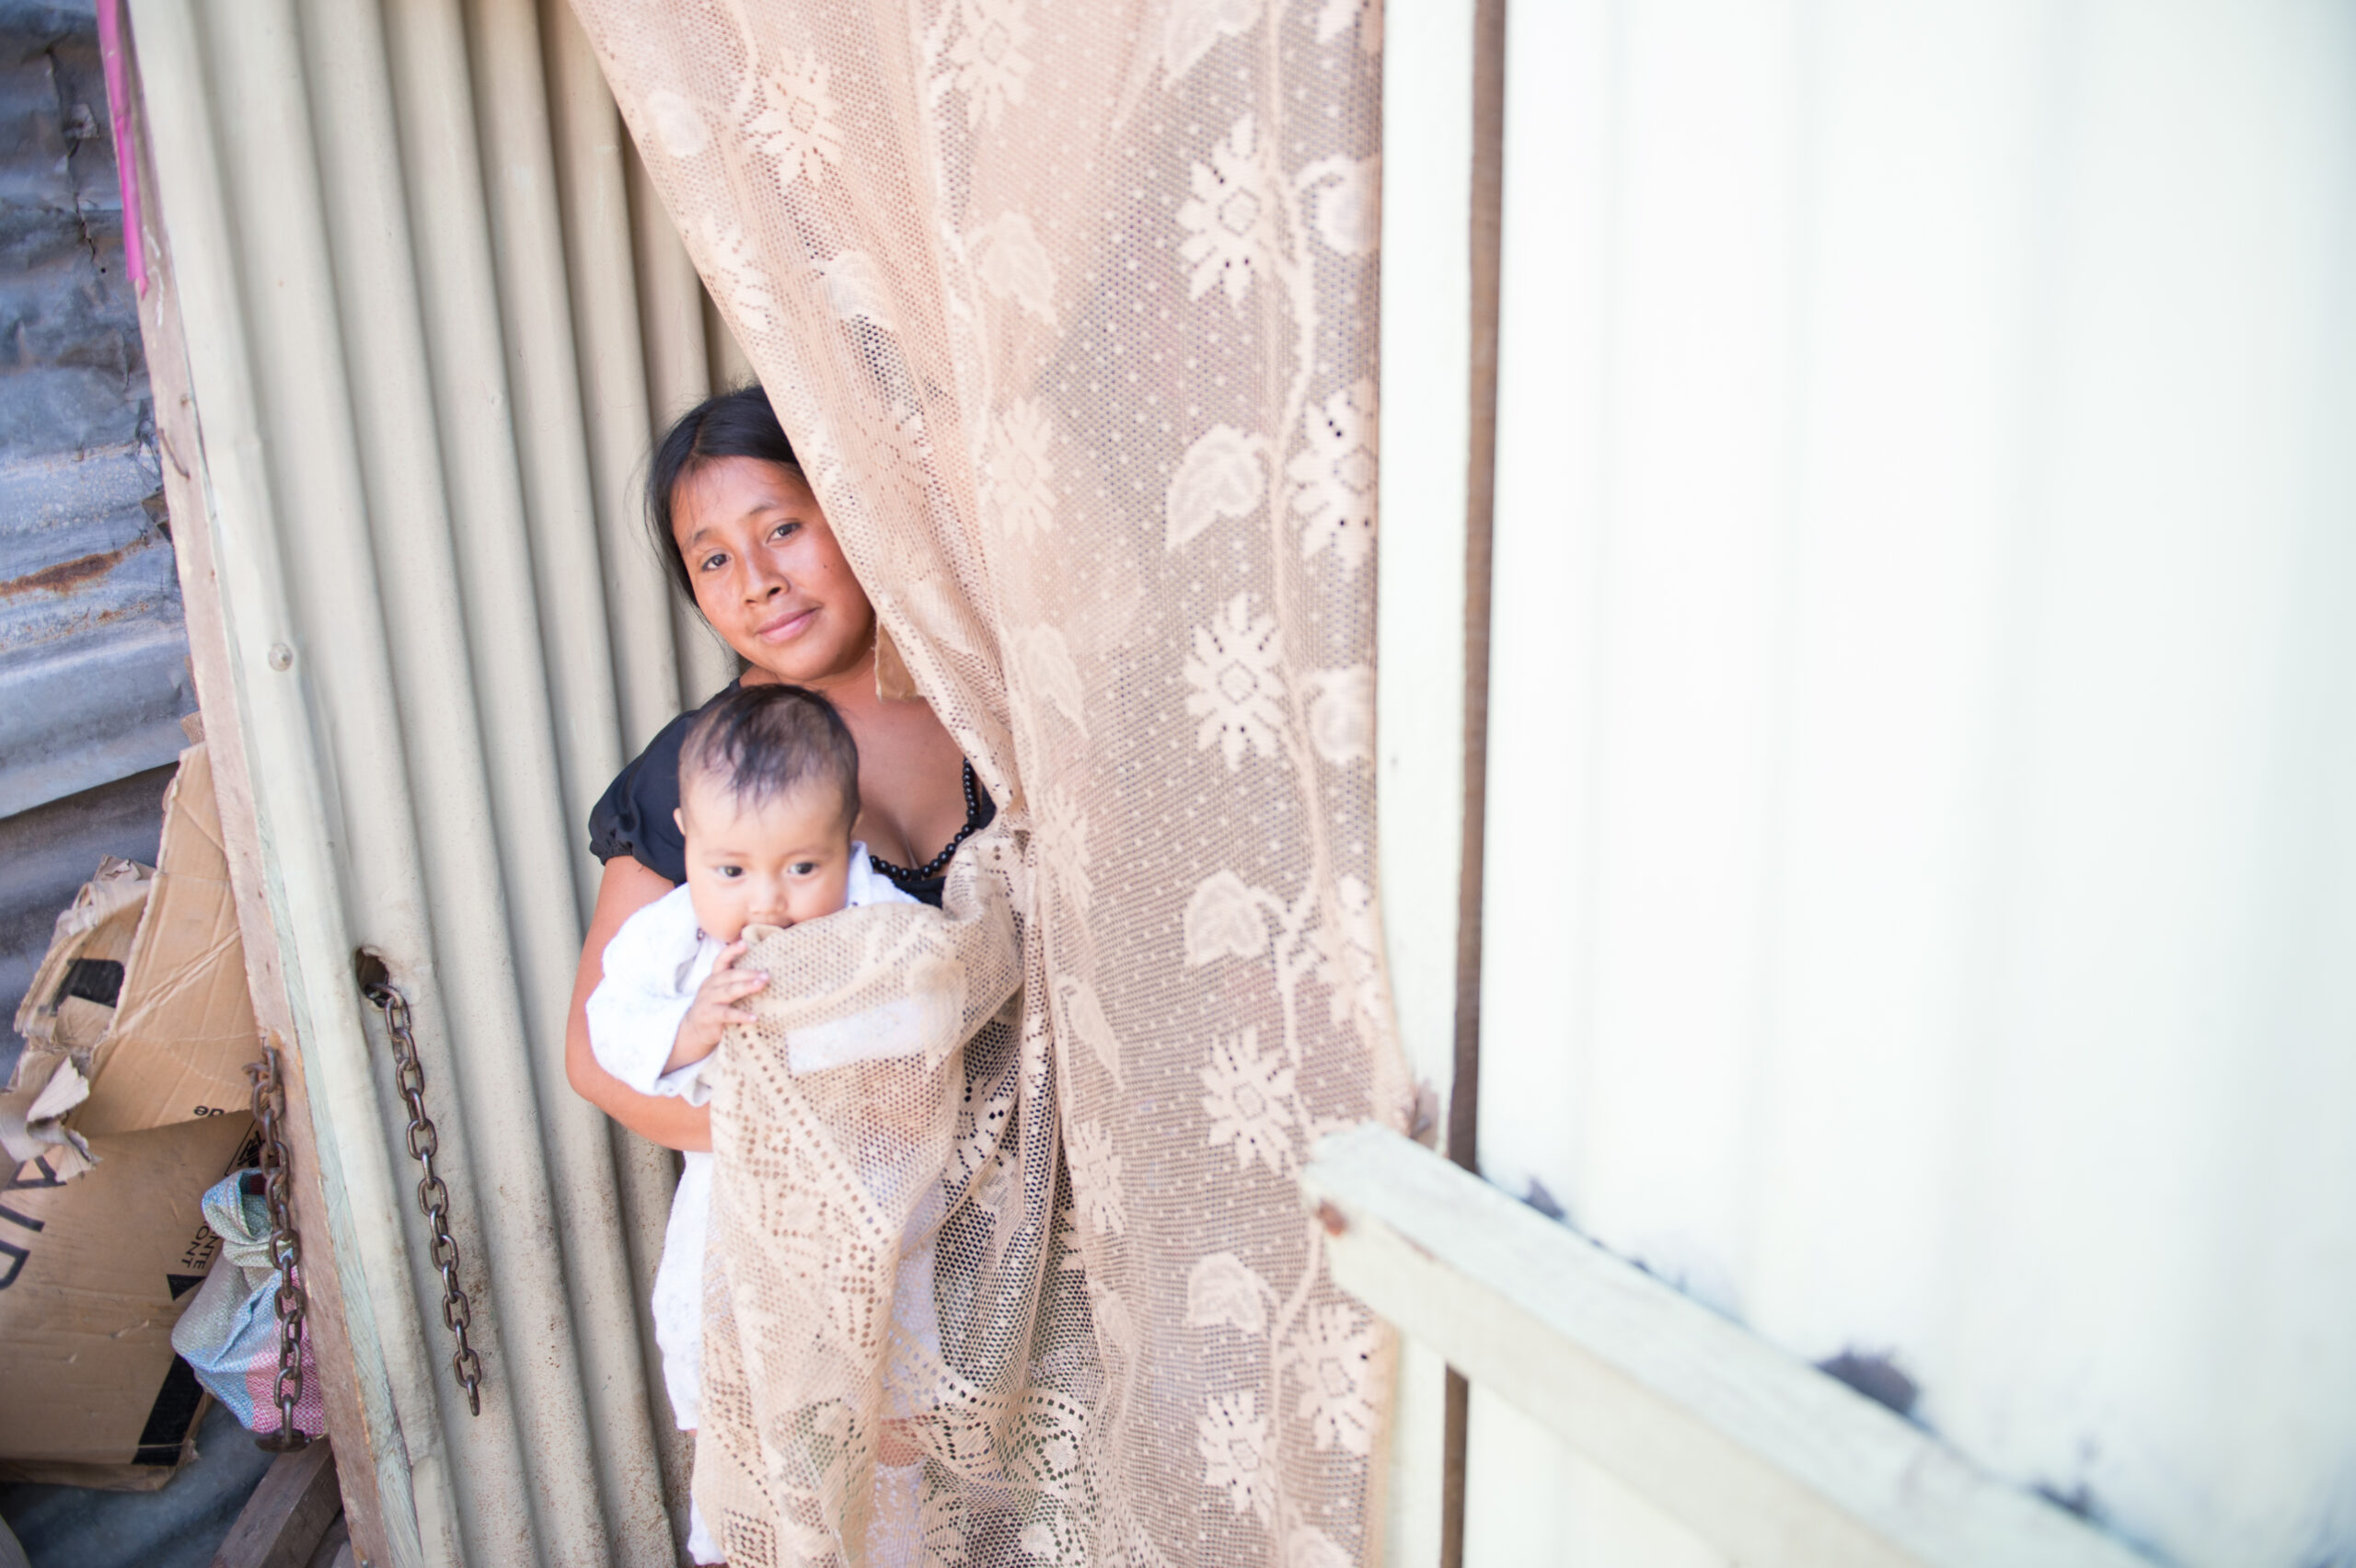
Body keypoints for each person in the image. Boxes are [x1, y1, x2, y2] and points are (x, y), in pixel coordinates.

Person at [565, 384, 994, 1154]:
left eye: (785, 528)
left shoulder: (987, 703)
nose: (757, 580)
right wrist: (811, 1154)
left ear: (855, 511)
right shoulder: (707, 772)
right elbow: (596, 1064)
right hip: (845, 1231)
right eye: (715, 559)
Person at [585, 682, 918, 1564]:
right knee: (745, 1395)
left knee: (885, 1408)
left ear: (845, 843)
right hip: (735, 1214)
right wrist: (690, 1026)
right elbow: (608, 1027)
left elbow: (926, 1006)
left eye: (801, 869)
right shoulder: (674, 940)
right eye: (731, 871)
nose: (766, 901)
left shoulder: (878, 921)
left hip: (870, 1215)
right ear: (687, 839)